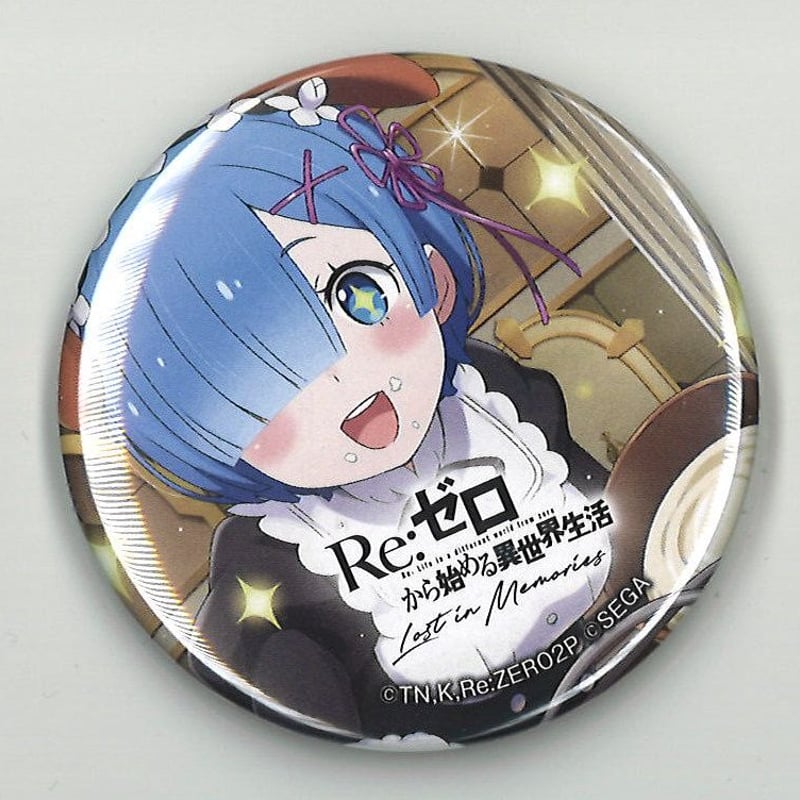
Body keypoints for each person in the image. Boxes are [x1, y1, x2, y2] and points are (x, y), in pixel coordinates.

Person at [84, 76, 611, 743]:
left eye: (359, 295)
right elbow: (313, 741)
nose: (340, 380)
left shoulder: (498, 396)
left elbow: (618, 512)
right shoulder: (269, 576)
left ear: (431, 276)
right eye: (256, 386)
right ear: (206, 438)